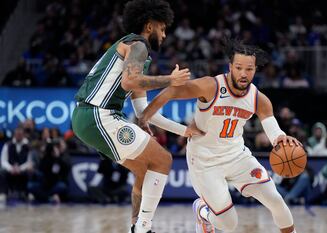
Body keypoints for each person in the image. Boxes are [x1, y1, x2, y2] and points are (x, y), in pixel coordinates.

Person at [140, 39, 299, 233]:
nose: (243, 74)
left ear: (255, 70)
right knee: (229, 224)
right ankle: (202, 212)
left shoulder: (259, 98)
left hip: (237, 156)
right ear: (230, 66)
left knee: (275, 200)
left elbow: (271, 125)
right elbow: (172, 91)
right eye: (239, 67)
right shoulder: (211, 86)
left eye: (249, 69)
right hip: (205, 160)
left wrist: (279, 138)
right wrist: (145, 116)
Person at [71, 1, 201, 232]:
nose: (164, 34)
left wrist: (185, 131)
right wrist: (170, 80)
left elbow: (144, 113)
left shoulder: (139, 58)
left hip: (88, 118)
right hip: (98, 114)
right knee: (164, 160)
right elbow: (129, 81)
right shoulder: (138, 44)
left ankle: (135, 225)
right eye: (162, 28)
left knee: (145, 171)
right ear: (149, 26)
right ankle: (143, 228)